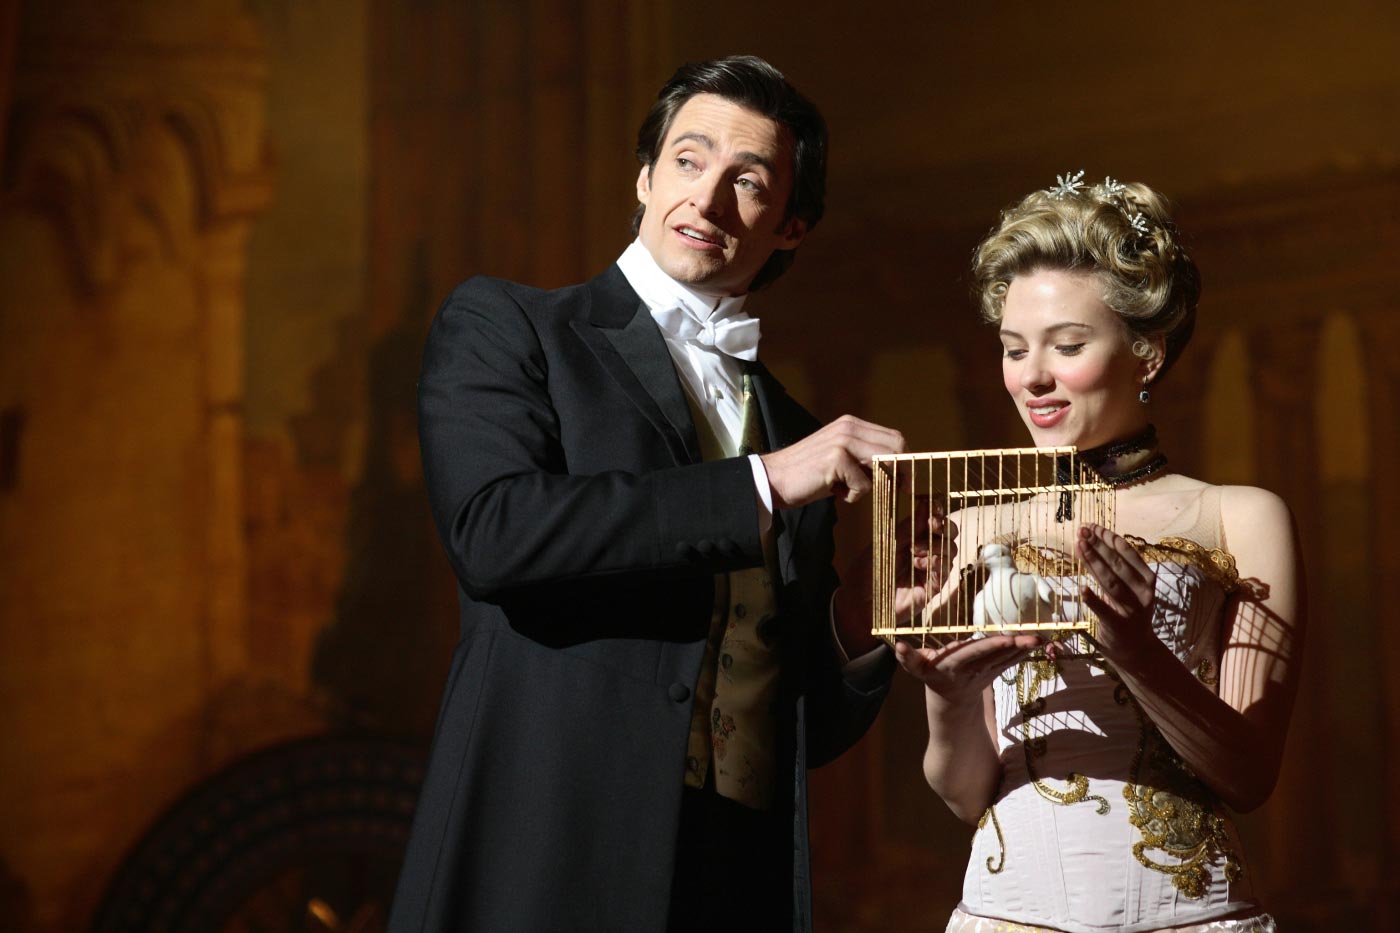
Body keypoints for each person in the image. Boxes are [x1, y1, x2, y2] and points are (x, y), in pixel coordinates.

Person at [388, 56, 931, 933]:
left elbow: (794, 724)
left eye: (747, 181)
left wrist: (869, 620)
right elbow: (494, 534)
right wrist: (762, 482)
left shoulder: (793, 427)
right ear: (644, 177)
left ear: (791, 227)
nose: (706, 199)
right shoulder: (510, 325)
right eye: (687, 160)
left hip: (734, 878)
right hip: (549, 854)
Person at [896, 174, 1304, 933]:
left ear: (1146, 353)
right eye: (1014, 349)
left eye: (1068, 345)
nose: (1032, 377)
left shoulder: (1240, 517)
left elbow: (1249, 776)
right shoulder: (972, 525)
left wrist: (1137, 650)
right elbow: (963, 794)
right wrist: (946, 697)